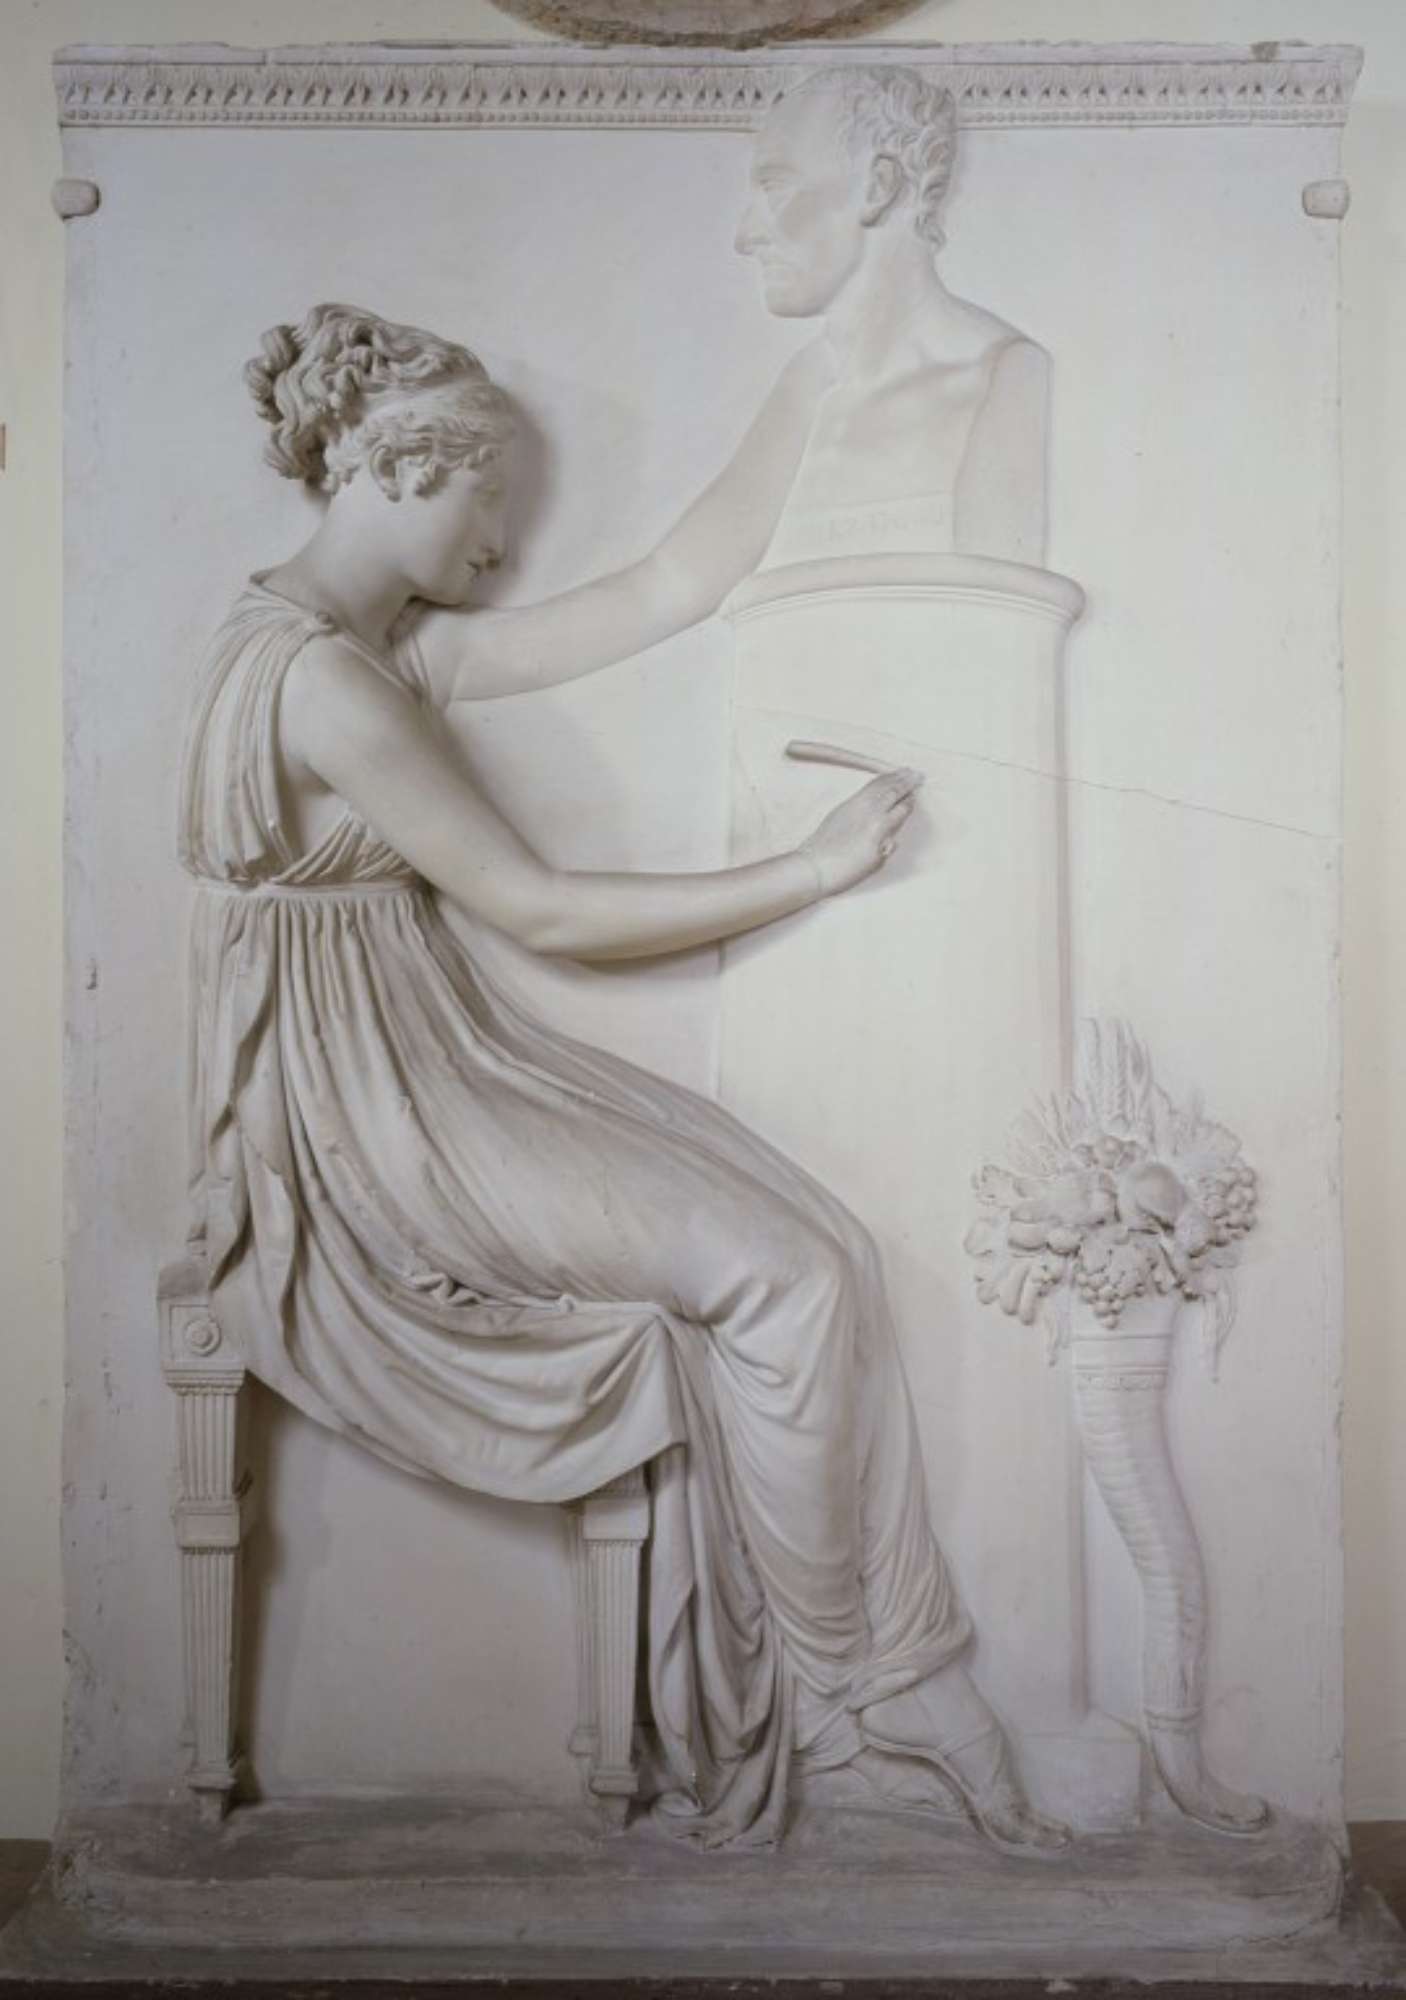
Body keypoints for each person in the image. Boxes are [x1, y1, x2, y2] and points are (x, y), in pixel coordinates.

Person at [180, 300, 1068, 1855]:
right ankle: (857, 1699)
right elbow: (545, 913)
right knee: (790, 1271)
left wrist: (814, 380)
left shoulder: (386, 649)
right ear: (401, 466)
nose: (505, 540)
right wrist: (811, 868)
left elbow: (666, 584)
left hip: (434, 1060)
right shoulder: (327, 686)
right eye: (490, 497)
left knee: (819, 1248)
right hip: (368, 1118)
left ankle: (882, 1679)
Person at [404, 64, 1048, 712]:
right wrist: (455, 656)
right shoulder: (813, 381)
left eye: (776, 187)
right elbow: (672, 583)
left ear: (878, 187)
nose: (747, 234)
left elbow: (995, 654)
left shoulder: (1001, 374)